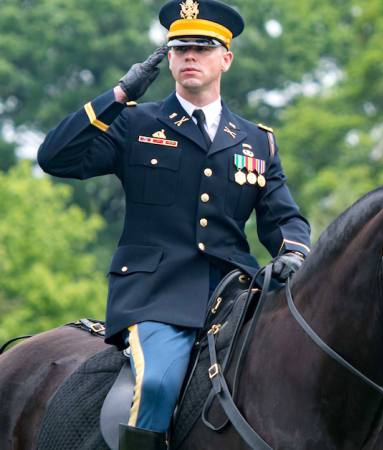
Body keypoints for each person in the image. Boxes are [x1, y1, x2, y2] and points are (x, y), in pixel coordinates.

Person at [37, 0, 310, 447]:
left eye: (202, 48)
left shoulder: (256, 140)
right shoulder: (135, 122)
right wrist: (120, 93)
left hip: (234, 294)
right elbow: (55, 157)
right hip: (155, 295)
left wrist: (295, 251)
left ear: (226, 59)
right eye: (180, 48)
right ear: (167, 58)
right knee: (159, 384)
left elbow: (283, 217)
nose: (189, 56)